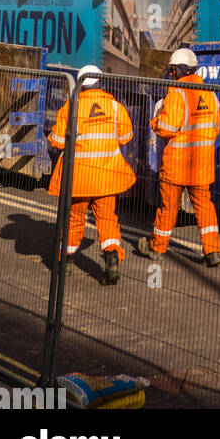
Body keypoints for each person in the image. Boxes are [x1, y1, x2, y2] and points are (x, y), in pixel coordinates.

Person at [47, 65, 135, 286]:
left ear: (80, 85)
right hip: (106, 177)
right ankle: (112, 255)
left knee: (74, 219)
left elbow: (57, 141)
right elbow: (126, 136)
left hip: (79, 177)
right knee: (107, 219)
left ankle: (64, 261)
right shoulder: (115, 107)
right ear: (100, 83)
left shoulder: (71, 106)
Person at [137, 48, 220, 267]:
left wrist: (156, 119)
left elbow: (166, 127)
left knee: (168, 208)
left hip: (177, 165)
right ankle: (212, 252)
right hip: (202, 164)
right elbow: (215, 127)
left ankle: (157, 247)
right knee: (204, 207)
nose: (171, 74)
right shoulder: (210, 94)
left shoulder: (177, 93)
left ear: (179, 70)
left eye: (173, 69)